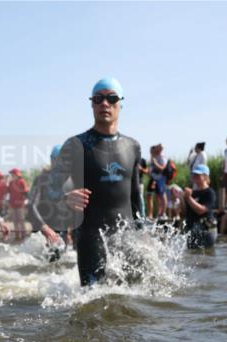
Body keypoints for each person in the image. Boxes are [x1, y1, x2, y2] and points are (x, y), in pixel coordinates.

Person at [51, 77, 143, 285]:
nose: (105, 104)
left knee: (134, 301)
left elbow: (136, 195)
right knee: (93, 303)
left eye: (112, 98)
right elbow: (51, 188)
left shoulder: (133, 146)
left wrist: (143, 231)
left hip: (127, 238)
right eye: (98, 99)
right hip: (91, 239)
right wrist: (65, 197)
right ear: (91, 104)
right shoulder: (76, 144)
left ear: (121, 103)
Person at [27, 144, 69, 252]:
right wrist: (44, 227)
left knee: (61, 265)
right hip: (43, 232)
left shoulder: (68, 181)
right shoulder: (41, 179)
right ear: (52, 160)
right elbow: (31, 205)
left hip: (61, 232)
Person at [182, 164, 217, 247]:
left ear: (205, 177)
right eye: (194, 175)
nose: (195, 177)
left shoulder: (209, 193)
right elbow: (184, 211)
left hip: (205, 231)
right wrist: (181, 198)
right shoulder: (192, 193)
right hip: (191, 230)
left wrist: (189, 198)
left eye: (198, 175)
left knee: (205, 257)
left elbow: (201, 210)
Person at [7, 168, 29, 241]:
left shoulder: (22, 181)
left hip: (20, 204)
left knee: (21, 220)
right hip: (13, 204)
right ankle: (17, 236)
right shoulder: (10, 183)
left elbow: (26, 192)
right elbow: (8, 192)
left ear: (17, 175)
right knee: (15, 221)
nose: (12, 175)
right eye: (12, 174)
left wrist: (26, 201)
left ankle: (24, 235)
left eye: (13, 174)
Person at [146, 144, 168, 218]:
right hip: (153, 179)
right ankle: (159, 213)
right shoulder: (154, 157)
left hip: (161, 179)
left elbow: (162, 168)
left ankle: (163, 213)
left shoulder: (162, 157)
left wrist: (155, 162)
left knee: (162, 195)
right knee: (156, 196)